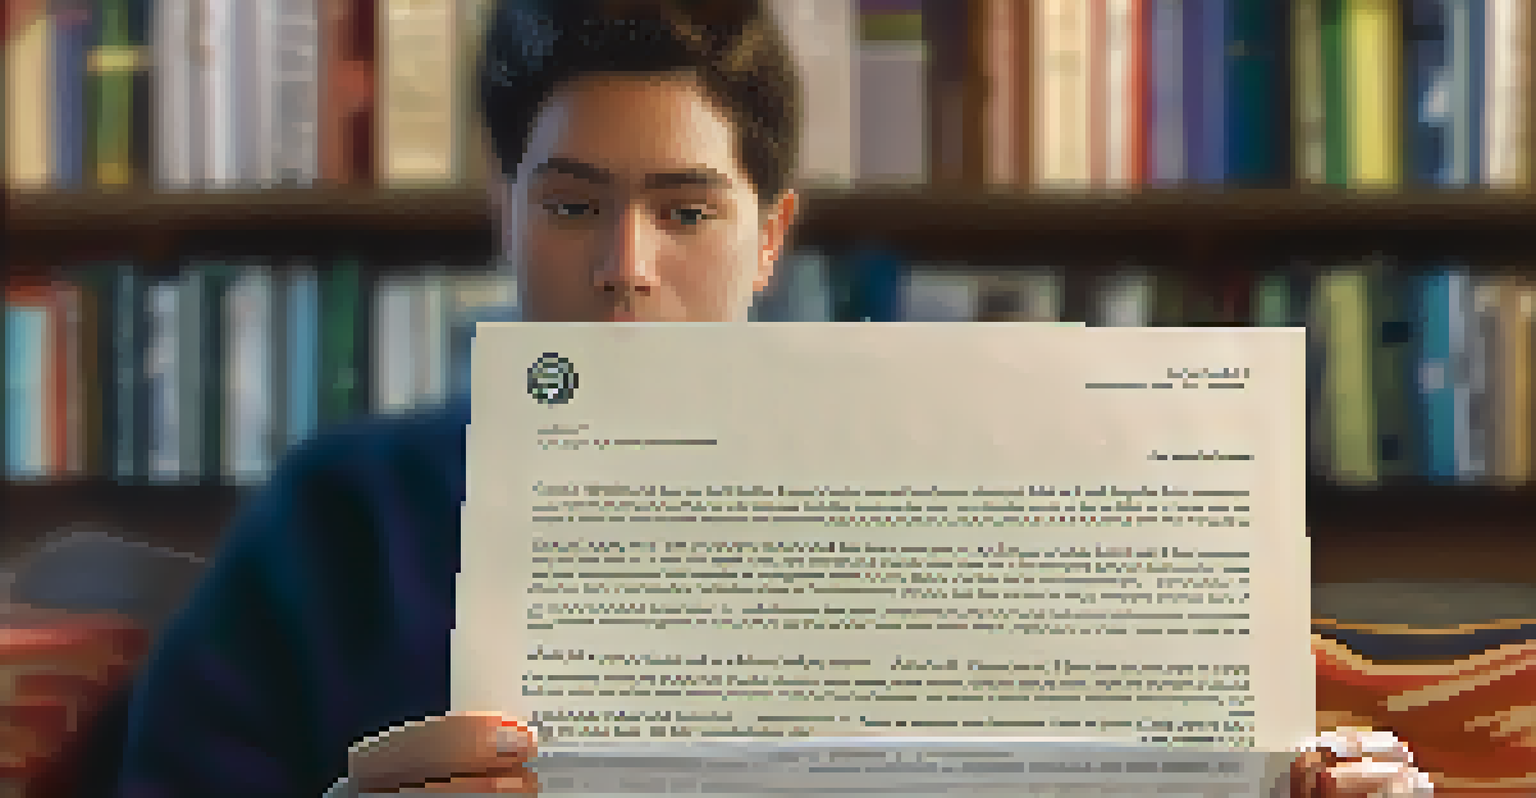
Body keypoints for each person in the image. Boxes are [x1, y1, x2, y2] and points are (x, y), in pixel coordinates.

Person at [107, 1, 1434, 796]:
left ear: (770, 237)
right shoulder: (341, 520)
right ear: (507, 219)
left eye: (684, 209)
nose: (625, 268)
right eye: (572, 205)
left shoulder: (964, 495)